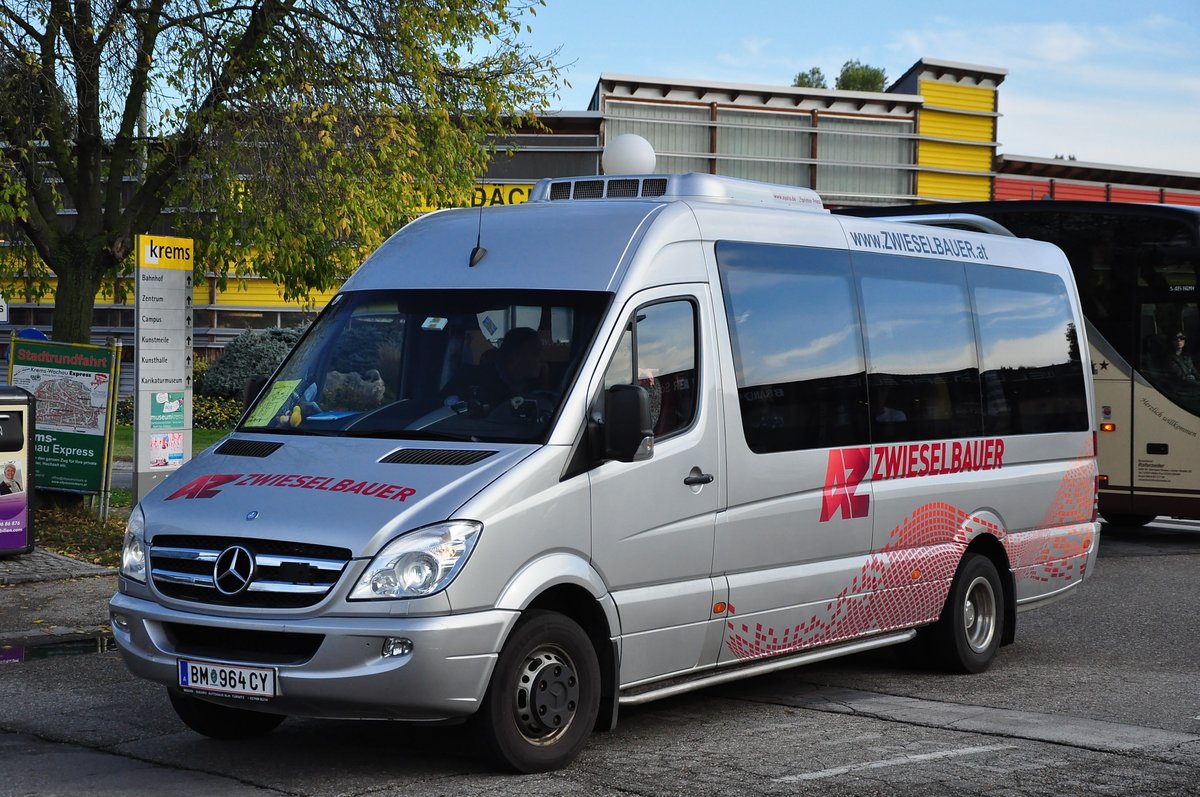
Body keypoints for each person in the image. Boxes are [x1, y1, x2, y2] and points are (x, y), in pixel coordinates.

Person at [443, 327, 547, 411]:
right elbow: (443, 410)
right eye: (536, 353)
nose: (542, 359)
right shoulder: (470, 378)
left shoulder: (536, 387)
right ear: (516, 355)